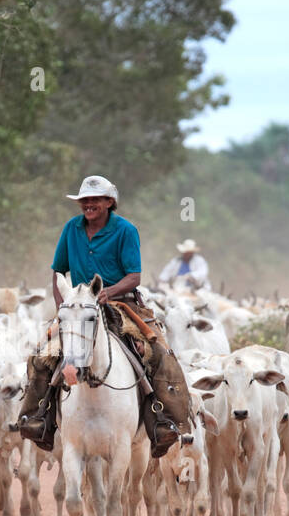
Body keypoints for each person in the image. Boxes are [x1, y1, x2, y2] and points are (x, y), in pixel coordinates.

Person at [14, 175, 191, 458]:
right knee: (41, 357)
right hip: (78, 308)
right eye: (84, 200)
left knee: (158, 352)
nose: (88, 204)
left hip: (122, 305)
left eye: (95, 200)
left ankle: (166, 420)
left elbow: (134, 276)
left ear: (110, 202)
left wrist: (108, 292)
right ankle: (36, 419)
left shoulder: (126, 230)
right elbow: (58, 272)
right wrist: (64, 308)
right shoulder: (71, 229)